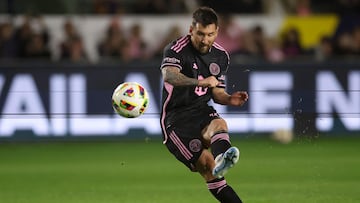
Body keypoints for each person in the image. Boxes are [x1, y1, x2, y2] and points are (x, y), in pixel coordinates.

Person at [159, 7, 248, 203]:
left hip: (200, 110)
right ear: (191, 29)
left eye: (210, 34)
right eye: (200, 33)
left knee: (220, 125)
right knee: (209, 171)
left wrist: (229, 99)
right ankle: (218, 163)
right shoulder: (176, 49)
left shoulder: (221, 56)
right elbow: (170, 75)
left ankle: (222, 158)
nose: (204, 39)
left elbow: (216, 92)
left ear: (217, 31)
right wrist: (200, 82)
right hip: (176, 120)